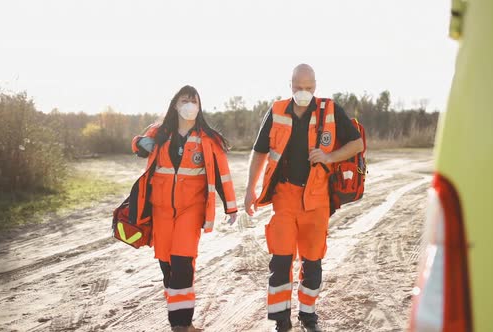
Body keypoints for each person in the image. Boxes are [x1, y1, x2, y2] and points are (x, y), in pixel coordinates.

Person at [244, 64, 364, 332]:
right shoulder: (276, 111)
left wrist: (330, 156)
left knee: (312, 263)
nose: (303, 92)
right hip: (285, 197)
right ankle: (281, 322)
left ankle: (308, 317)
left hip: (317, 200)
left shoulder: (330, 111)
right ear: (290, 85)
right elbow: (260, 152)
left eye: (308, 88)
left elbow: (357, 144)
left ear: (316, 86)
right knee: (281, 261)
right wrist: (250, 189)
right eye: (298, 87)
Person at [132, 85, 238, 331]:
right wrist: (141, 143)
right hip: (161, 210)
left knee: (182, 262)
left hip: (191, 210)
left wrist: (230, 207)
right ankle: (179, 319)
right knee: (167, 265)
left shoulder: (208, 139)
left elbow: (223, 175)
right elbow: (136, 145)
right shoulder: (160, 132)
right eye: (184, 100)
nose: (189, 104)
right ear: (175, 105)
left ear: (199, 107)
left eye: (194, 100)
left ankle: (181, 324)